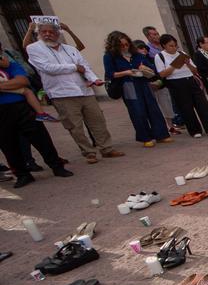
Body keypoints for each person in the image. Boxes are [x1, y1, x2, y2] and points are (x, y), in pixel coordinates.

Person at [26, 20, 125, 163]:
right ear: (39, 33)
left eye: (51, 31)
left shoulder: (69, 49)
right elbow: (48, 68)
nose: (48, 34)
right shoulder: (34, 49)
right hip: (62, 93)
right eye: (44, 32)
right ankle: (89, 152)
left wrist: (94, 79)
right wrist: (74, 67)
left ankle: (107, 148)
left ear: (57, 33)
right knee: (74, 126)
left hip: (84, 90)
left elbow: (85, 67)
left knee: (97, 121)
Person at [0, 52, 73, 188]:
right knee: (8, 145)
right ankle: (23, 175)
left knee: (41, 138)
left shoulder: (10, 65)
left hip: (21, 107)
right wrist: (13, 86)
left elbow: (23, 81)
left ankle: (57, 166)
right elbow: (18, 84)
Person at [102, 30, 170, 147]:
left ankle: (161, 134)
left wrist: (145, 68)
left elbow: (152, 68)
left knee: (153, 108)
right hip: (128, 84)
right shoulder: (109, 57)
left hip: (143, 82)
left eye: (126, 44)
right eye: (121, 45)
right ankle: (145, 137)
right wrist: (127, 72)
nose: (124, 47)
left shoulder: (136, 54)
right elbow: (110, 74)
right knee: (137, 111)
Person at [155, 35, 208, 137]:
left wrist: (188, 64)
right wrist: (174, 65)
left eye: (175, 45)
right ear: (164, 45)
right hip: (176, 83)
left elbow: (195, 70)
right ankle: (195, 131)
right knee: (186, 107)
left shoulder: (182, 53)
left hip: (190, 80)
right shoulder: (160, 57)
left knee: (203, 104)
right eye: (171, 46)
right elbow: (162, 74)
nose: (174, 48)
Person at [143, 25, 180, 131]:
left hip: (171, 77)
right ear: (148, 36)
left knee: (170, 101)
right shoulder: (148, 49)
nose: (157, 36)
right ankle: (168, 125)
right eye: (154, 34)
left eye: (157, 33)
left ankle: (175, 122)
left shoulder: (163, 46)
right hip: (159, 78)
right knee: (163, 102)